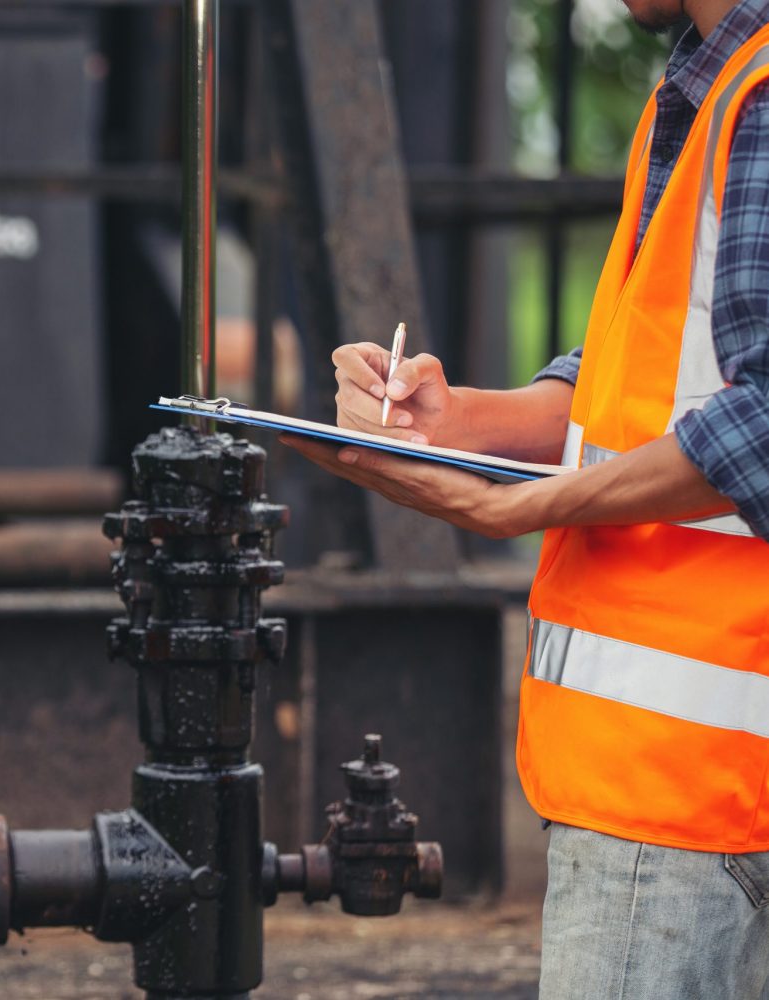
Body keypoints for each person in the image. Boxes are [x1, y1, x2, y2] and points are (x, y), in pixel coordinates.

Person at [282, 1, 769, 996]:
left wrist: (519, 510)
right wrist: (450, 417)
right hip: (680, 784)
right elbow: (651, 378)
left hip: (680, 786)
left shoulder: (754, 94)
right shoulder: (708, 87)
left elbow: (759, 419)